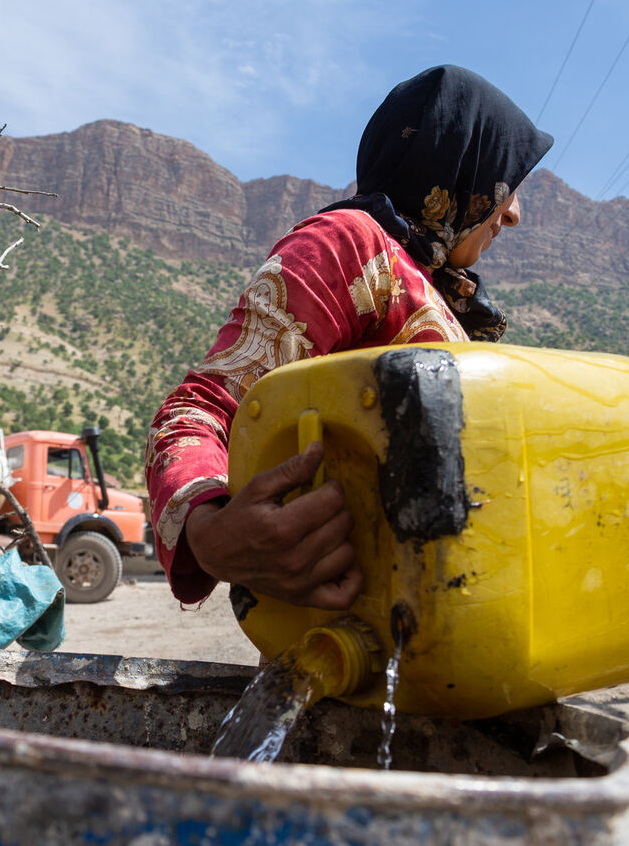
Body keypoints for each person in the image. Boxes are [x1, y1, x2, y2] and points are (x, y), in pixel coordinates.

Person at [145, 65, 552, 607]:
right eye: (506, 178)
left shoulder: (440, 293)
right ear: (455, 162)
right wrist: (209, 531)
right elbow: (197, 410)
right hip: (355, 635)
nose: (516, 213)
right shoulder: (353, 245)